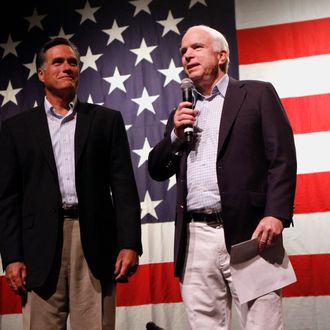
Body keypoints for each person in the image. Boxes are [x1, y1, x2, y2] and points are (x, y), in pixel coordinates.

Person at [148, 25, 297, 330]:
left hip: (250, 233)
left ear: (222, 55)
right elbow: (157, 170)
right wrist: (175, 136)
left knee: (263, 324)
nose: (187, 55)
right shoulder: (182, 113)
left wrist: (276, 214)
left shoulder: (256, 93)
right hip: (195, 237)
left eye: (196, 48)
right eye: (183, 51)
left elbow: (281, 158)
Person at [0, 37, 142, 330]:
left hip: (95, 241)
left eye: (73, 62)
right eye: (58, 62)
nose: (68, 67)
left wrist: (129, 244)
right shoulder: (16, 129)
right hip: (37, 249)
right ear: (41, 74)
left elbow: (125, 188)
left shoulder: (106, 120)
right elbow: (8, 199)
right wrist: (12, 256)